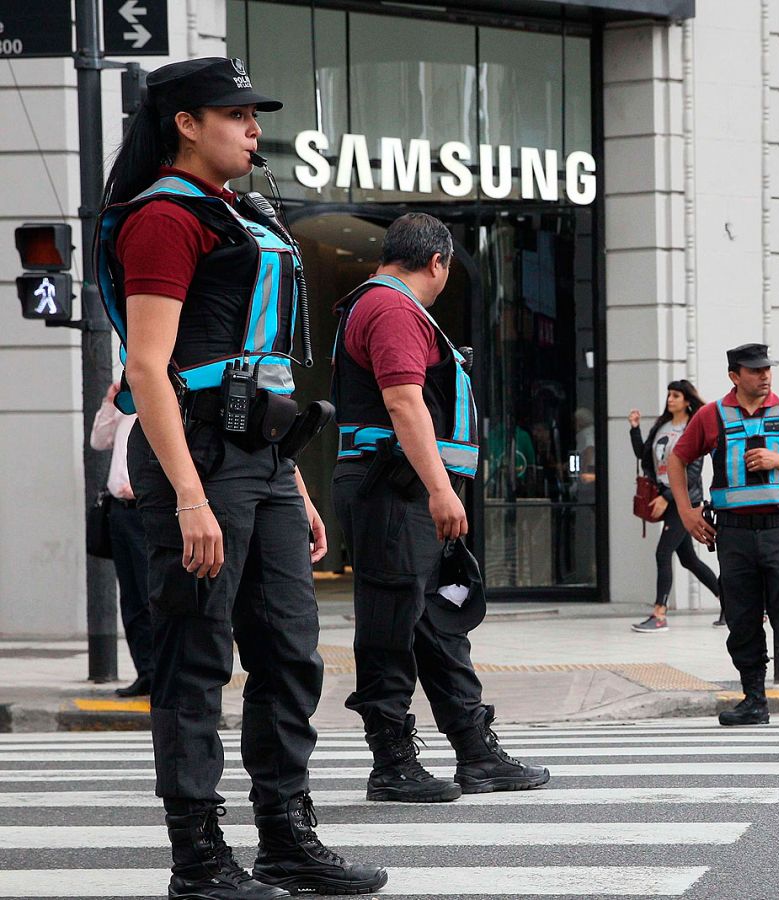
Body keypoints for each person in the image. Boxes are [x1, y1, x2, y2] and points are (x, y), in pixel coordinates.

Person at [98, 57, 385, 897]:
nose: (254, 128)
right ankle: (198, 858)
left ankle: (288, 840)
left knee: (292, 653)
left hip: (260, 461)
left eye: (255, 115)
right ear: (186, 123)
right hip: (196, 460)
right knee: (194, 658)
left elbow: (259, 370)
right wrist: (190, 496)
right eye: (237, 114)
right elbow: (148, 369)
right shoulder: (163, 218)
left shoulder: (242, 213)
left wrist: (289, 481)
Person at [331, 213, 549, 804]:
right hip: (394, 492)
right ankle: (392, 764)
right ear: (437, 263)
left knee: (438, 626)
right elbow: (404, 404)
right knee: (390, 628)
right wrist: (440, 489)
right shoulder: (394, 310)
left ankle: (476, 754)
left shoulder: (381, 306)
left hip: (397, 490)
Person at [667, 343, 779, 727]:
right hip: (734, 534)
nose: (765, 376)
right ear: (734, 376)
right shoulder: (713, 415)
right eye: (755, 370)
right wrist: (687, 512)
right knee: (741, 615)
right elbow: (677, 458)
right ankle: (753, 700)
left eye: (767, 369)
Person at [628, 381, 723, 632]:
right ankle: (731, 603)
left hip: (685, 501)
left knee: (662, 553)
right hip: (666, 496)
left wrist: (667, 497)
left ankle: (659, 614)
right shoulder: (662, 426)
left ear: (687, 400)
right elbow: (644, 455)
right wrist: (635, 430)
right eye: (669, 395)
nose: (670, 399)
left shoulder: (693, 427)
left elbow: (691, 472)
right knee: (689, 560)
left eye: (676, 395)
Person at [90, 381, 155, 698]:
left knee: (148, 594)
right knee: (130, 597)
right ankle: (146, 671)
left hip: (145, 510)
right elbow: (98, 440)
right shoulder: (124, 408)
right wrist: (109, 401)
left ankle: (161, 672)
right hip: (119, 511)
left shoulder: (158, 406)